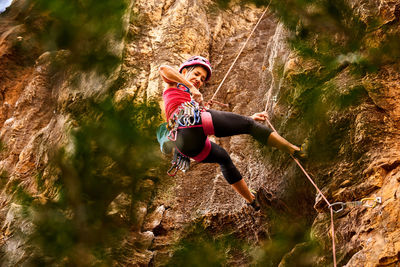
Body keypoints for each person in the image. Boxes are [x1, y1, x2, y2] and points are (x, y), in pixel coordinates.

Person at [159, 56, 305, 210]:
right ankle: (295, 150)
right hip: (191, 125)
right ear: (183, 71)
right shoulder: (173, 84)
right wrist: (192, 87)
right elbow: (163, 68)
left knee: (223, 157)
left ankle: (251, 199)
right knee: (249, 126)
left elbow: (226, 121)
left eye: (202, 79)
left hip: (187, 146)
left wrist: (248, 118)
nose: (198, 80)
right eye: (195, 74)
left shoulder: (188, 98)